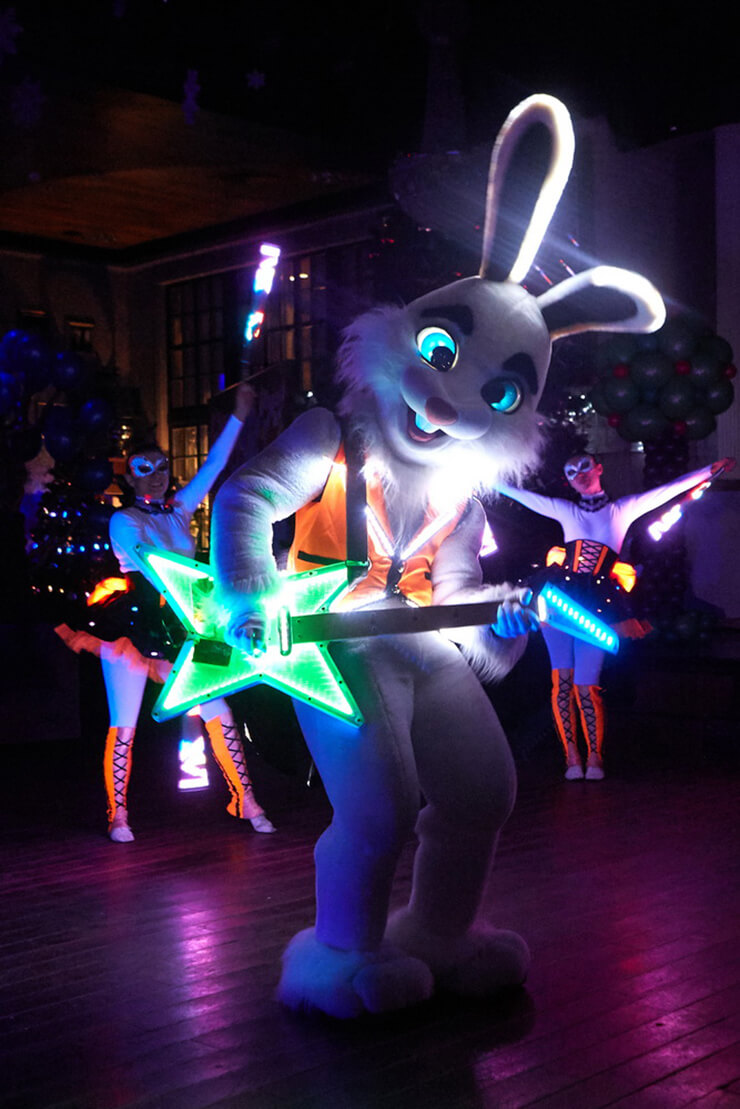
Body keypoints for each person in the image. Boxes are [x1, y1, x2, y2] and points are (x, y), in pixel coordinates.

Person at [57, 382, 275, 841]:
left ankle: (246, 800)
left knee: (218, 706)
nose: (155, 476)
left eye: (161, 467)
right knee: (124, 720)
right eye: (144, 468)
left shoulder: (178, 511)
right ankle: (118, 814)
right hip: (135, 626)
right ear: (129, 477)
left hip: (185, 623)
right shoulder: (124, 519)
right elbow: (153, 568)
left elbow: (213, 467)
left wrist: (238, 415)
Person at [495, 452, 735, 781]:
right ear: (568, 480)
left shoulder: (623, 509)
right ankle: (571, 757)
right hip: (558, 601)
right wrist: (481, 479)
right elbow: (523, 496)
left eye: (584, 466)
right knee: (561, 683)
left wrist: (708, 471)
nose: (578, 474)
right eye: (570, 471)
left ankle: (595, 756)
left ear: (598, 468)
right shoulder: (565, 511)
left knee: (586, 685)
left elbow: (667, 490)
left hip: (598, 605)